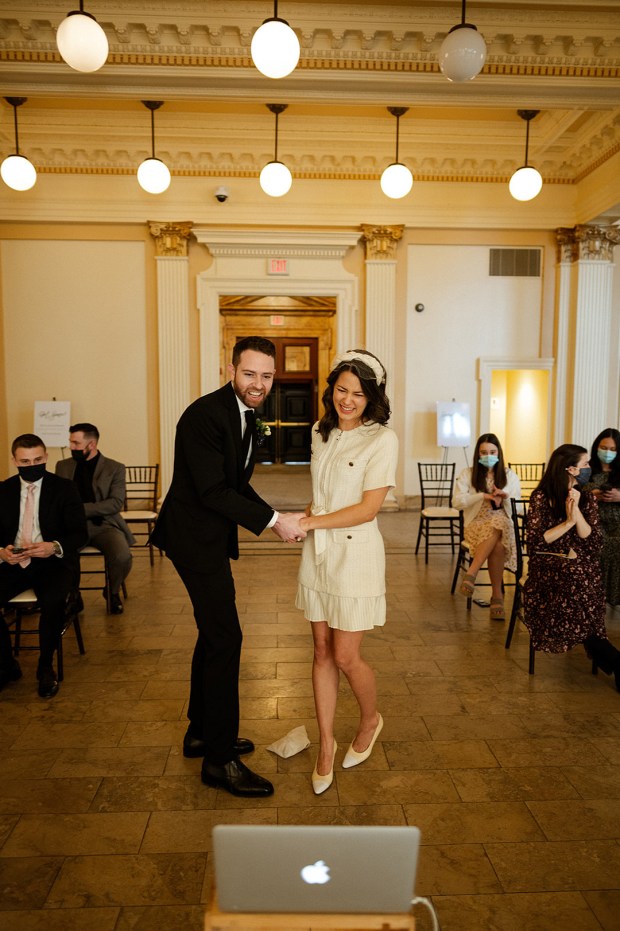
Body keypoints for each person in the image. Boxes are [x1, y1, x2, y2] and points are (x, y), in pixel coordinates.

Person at [150, 336, 307, 798]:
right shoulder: (204, 415)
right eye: (250, 373)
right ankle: (219, 760)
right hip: (192, 539)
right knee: (225, 638)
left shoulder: (245, 414)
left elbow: (235, 485)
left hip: (209, 538)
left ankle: (202, 733)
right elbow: (213, 491)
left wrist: (274, 516)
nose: (259, 384)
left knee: (214, 634)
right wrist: (275, 522)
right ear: (231, 369)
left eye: (267, 376)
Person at [295, 349, 398, 795]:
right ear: (331, 389)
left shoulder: (382, 439)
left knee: (344, 656)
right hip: (318, 554)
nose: (348, 400)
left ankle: (370, 720)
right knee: (320, 651)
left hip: (356, 556)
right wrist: (305, 517)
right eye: (341, 389)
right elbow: (323, 496)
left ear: (371, 397)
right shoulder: (320, 433)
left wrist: (309, 523)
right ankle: (325, 745)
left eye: (358, 393)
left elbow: (367, 509)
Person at [523, 444, 620, 691]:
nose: (589, 468)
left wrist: (576, 512)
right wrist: (567, 522)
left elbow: (593, 541)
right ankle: (611, 657)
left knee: (586, 575)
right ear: (570, 469)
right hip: (547, 561)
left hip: (578, 561)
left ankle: (608, 656)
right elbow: (537, 541)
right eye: (585, 464)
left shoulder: (586, 496)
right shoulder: (541, 496)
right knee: (575, 576)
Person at [0, 434, 87, 698]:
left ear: (46, 457)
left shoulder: (65, 488)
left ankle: (45, 667)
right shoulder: (3, 490)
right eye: (25, 461)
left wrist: (54, 546)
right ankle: (6, 664)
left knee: (53, 601)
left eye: (38, 460)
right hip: (13, 562)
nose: (32, 465)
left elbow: (80, 534)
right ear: (14, 461)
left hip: (52, 562)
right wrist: (1, 553)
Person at [56, 423, 134, 614]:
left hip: (104, 524)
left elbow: (115, 503)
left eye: (76, 443)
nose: (71, 446)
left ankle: (112, 591)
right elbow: (59, 499)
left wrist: (78, 509)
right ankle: (74, 595)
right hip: (71, 526)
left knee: (122, 556)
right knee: (62, 554)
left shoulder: (115, 468)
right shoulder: (63, 466)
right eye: (70, 442)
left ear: (91, 444)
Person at [453, 433, 521, 620]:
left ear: (499, 453)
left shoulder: (509, 475)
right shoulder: (468, 474)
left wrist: (505, 496)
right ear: (478, 454)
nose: (488, 456)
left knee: (499, 527)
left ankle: (471, 573)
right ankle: (497, 596)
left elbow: (518, 509)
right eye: (484, 452)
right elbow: (457, 502)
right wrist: (482, 496)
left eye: (492, 452)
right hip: (476, 523)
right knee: (497, 539)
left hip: (502, 525)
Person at [584, 428, 620, 606]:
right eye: (604, 448)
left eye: (613, 449)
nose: (608, 453)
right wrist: (591, 495)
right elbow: (572, 494)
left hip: (617, 525)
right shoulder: (586, 469)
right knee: (598, 545)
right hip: (593, 524)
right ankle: (595, 598)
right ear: (596, 447)